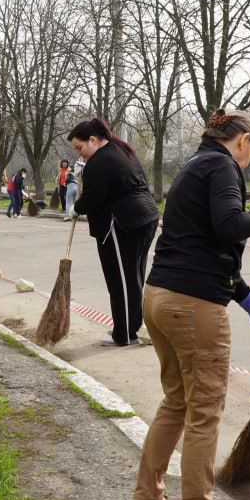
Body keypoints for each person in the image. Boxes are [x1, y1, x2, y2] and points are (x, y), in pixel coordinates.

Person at [132, 109, 250, 500]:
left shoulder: (194, 167)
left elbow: (205, 250)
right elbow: (228, 227)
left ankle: (148, 496)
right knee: (204, 413)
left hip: (159, 297)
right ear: (242, 141)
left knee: (177, 402)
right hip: (194, 307)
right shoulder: (222, 166)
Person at [68, 117, 161, 346]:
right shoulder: (121, 150)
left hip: (122, 225)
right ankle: (131, 327)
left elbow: (94, 199)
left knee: (120, 281)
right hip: (144, 218)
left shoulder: (100, 161)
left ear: (93, 140)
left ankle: (124, 334)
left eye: (80, 148)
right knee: (134, 276)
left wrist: (76, 208)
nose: (80, 154)